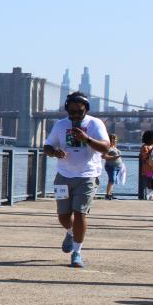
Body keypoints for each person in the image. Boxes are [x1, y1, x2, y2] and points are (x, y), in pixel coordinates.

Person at [42, 91, 110, 268]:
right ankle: (71, 232)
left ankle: (77, 252)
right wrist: (54, 152)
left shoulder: (95, 124)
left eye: (79, 111)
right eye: (72, 112)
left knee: (80, 213)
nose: (76, 115)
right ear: (67, 110)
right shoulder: (60, 125)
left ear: (86, 109)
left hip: (87, 175)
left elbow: (106, 147)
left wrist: (87, 139)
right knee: (63, 216)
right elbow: (47, 146)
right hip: (64, 175)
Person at [102, 134, 124, 200]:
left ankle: (110, 193)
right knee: (111, 180)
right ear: (110, 140)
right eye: (113, 139)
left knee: (113, 181)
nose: (115, 140)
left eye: (115, 139)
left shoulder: (115, 147)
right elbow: (104, 156)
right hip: (111, 166)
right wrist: (113, 157)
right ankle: (107, 195)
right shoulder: (108, 147)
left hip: (117, 167)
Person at [139, 130, 153, 200]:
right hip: (147, 170)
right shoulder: (144, 147)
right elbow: (145, 157)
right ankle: (147, 196)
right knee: (149, 183)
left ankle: (152, 196)